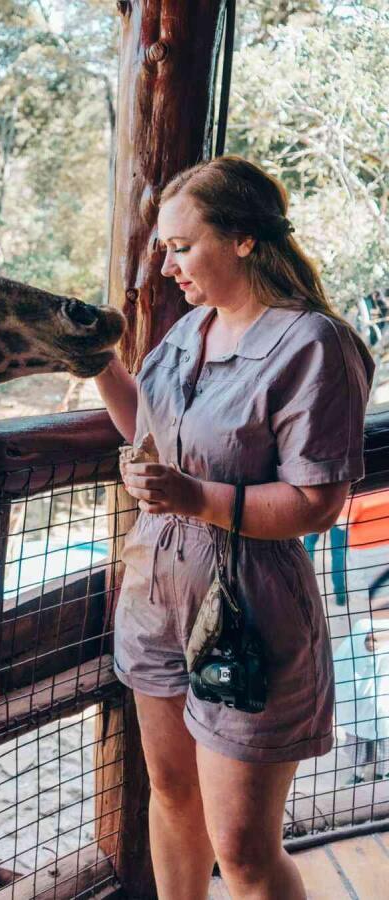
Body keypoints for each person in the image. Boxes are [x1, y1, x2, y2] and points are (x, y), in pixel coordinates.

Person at [94, 155, 374, 900]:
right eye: (164, 249)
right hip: (155, 586)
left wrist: (194, 497)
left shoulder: (314, 344)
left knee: (245, 849)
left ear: (243, 238)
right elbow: (148, 430)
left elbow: (318, 502)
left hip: (248, 603)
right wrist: (97, 363)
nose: (168, 265)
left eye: (182, 247)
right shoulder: (189, 333)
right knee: (171, 795)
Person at [334, 618, 389, 784]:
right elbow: (340, 687)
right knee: (358, 747)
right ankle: (358, 774)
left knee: (384, 745)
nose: (371, 643)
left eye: (375, 640)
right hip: (358, 715)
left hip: (381, 715)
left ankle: (383, 774)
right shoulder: (349, 659)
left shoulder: (384, 657)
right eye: (367, 639)